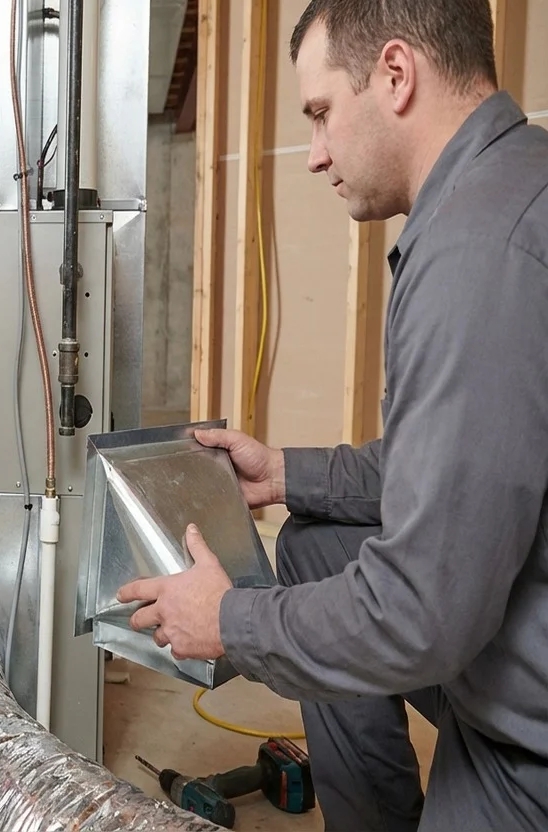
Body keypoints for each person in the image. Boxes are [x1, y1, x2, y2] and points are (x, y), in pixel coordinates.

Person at [117, 1, 548, 829]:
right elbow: (449, 467)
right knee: (314, 546)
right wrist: (285, 475)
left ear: (395, 74)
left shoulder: (477, 256)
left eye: (319, 114)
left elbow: (420, 614)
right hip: (506, 618)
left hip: (528, 732)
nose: (314, 155)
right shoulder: (512, 184)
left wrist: (227, 620)